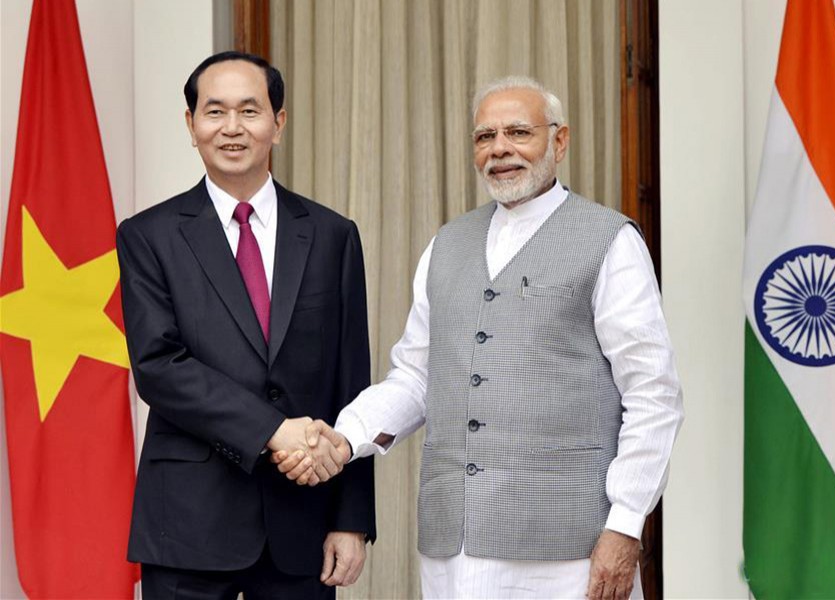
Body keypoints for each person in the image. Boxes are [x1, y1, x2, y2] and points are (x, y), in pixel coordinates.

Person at [278, 75, 683, 599]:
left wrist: (626, 524)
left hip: (566, 546)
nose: (500, 150)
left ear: (559, 141)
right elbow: (417, 379)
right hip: (455, 545)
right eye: (484, 136)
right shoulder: (446, 245)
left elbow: (653, 394)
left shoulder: (611, 242)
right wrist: (343, 437)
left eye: (519, 132)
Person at [116, 51, 375, 599]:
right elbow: (158, 367)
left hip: (302, 519)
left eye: (250, 111)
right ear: (192, 126)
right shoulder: (148, 235)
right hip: (187, 521)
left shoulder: (332, 235)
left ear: (278, 123)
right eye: (214, 112)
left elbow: (352, 381)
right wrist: (272, 430)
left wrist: (351, 518)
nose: (232, 128)